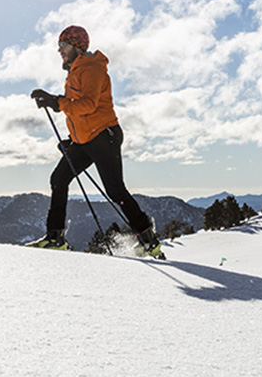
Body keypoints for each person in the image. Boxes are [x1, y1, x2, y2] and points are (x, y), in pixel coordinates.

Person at [28, 25, 162, 257]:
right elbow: (81, 112)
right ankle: (55, 237)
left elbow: (88, 105)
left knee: (115, 191)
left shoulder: (91, 69)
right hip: (86, 139)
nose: (59, 50)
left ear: (77, 46)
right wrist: (73, 139)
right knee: (59, 179)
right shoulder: (75, 71)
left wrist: (55, 102)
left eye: (63, 45)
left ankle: (148, 240)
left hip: (104, 136)